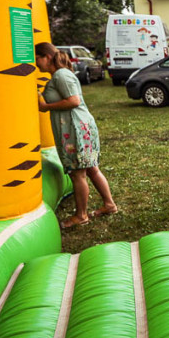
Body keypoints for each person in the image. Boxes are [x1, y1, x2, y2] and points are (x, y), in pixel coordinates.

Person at [35, 42, 117, 228]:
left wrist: (46, 107)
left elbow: (74, 100)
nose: (36, 64)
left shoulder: (61, 75)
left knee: (78, 173)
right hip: (77, 128)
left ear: (46, 57)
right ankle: (109, 205)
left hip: (75, 130)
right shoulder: (60, 75)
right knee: (91, 169)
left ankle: (81, 215)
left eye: (37, 58)